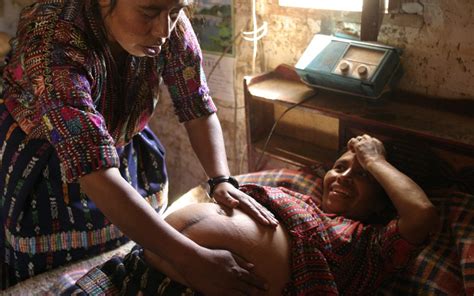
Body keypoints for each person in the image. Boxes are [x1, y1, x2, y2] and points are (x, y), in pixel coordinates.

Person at [0, 0, 279, 294]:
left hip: (123, 153)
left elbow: (196, 104)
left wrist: (221, 179)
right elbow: (93, 167)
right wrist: (191, 259)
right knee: (52, 279)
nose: (163, 30)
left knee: (135, 260)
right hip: (46, 167)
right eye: (148, 13)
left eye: (175, 12)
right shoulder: (51, 37)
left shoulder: (167, 18)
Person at [67, 134, 440, 295]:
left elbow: (421, 213)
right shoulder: (296, 200)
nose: (342, 178)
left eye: (362, 176)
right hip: (144, 269)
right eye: (340, 167)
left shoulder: (370, 246)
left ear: (381, 201)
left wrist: (374, 158)